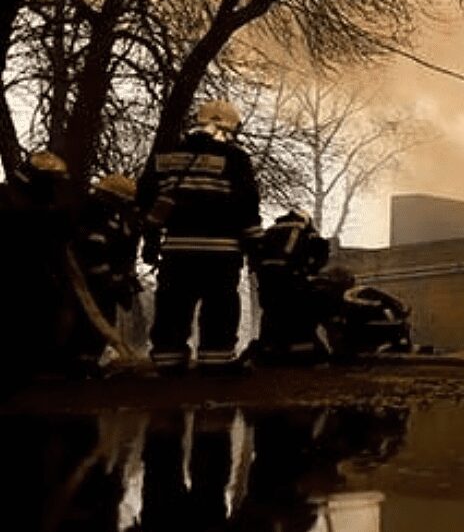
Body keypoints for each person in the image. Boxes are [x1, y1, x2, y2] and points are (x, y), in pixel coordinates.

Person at [138, 99, 263, 375]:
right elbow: (247, 206)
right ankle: (215, 362)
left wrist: (150, 241)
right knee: (219, 308)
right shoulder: (235, 159)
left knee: (173, 307)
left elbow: (146, 199)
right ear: (230, 128)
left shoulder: (165, 157)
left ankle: (169, 363)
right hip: (221, 253)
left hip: (177, 252)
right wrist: (256, 248)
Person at [0, 149, 72, 389]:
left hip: (32, 274)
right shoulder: (9, 202)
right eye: (53, 183)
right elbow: (26, 232)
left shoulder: (34, 203)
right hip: (16, 276)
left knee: (38, 312)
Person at [66, 172, 142, 376]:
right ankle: (80, 366)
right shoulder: (98, 215)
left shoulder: (113, 217)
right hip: (92, 286)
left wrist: (126, 280)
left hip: (103, 285)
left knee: (102, 323)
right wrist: (107, 279)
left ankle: (87, 363)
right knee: (90, 324)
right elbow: (94, 248)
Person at [252, 208, 331, 364]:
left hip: (267, 283)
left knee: (271, 315)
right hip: (291, 280)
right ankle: (302, 354)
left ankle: (269, 352)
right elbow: (321, 250)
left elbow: (255, 254)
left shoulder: (269, 232)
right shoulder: (304, 230)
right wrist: (310, 271)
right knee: (297, 316)